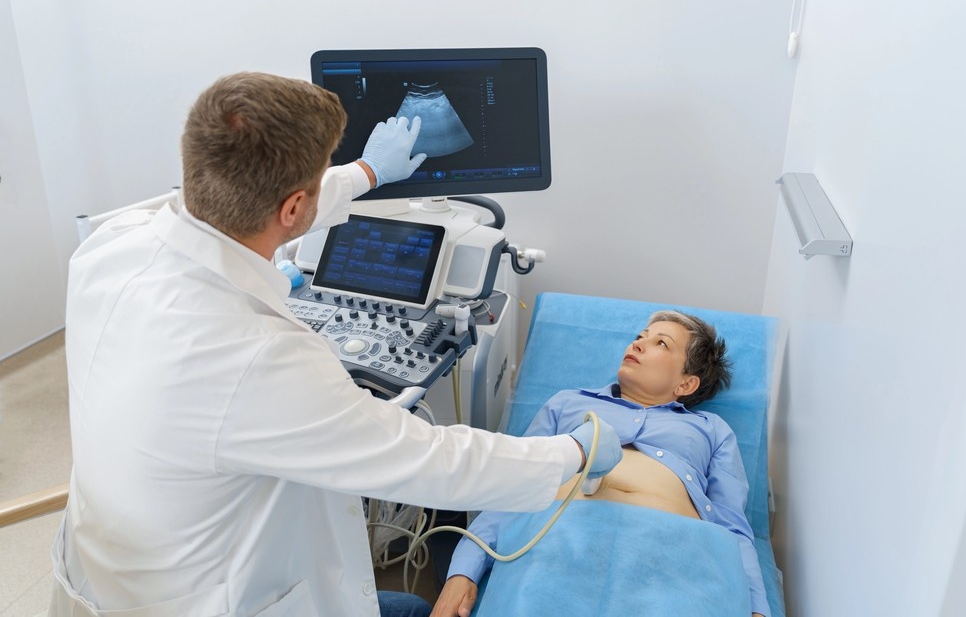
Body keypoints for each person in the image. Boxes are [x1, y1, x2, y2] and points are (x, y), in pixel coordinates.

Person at [49, 72, 623, 617]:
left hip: (112, 571)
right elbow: (424, 458)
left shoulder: (112, 245)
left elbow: (253, 204)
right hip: (212, 599)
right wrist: (569, 456)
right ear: (294, 207)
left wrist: (367, 172)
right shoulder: (258, 356)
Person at [432, 310, 771, 617]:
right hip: (560, 537)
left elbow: (732, 525)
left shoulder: (712, 430)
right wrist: (463, 571)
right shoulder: (568, 403)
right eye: (640, 336)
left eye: (660, 343)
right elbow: (513, 485)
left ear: (686, 383)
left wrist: (757, 608)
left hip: (671, 550)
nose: (638, 344)